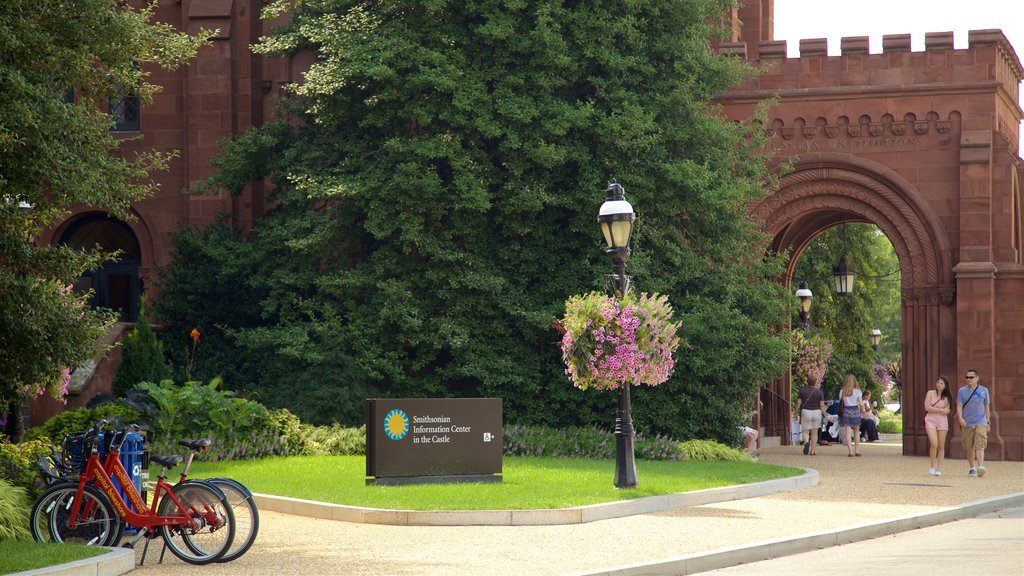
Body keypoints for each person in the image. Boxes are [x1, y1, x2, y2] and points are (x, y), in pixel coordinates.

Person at [956, 369, 991, 477]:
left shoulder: (984, 390)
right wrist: (960, 418)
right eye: (967, 377)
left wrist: (988, 421)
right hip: (967, 422)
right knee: (969, 446)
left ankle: (980, 467)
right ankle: (972, 467)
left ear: (977, 378)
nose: (968, 379)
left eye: (971, 377)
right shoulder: (962, 391)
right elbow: (959, 405)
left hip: (981, 421)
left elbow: (987, 407)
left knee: (980, 443)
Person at [924, 375, 952, 476]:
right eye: (938, 382)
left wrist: (937, 409)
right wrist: (940, 410)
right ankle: (932, 465)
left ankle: (939, 468)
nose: (938, 384)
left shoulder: (947, 397)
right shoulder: (930, 393)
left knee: (941, 445)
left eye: (941, 383)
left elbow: (947, 410)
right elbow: (927, 407)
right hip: (930, 420)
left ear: (945, 386)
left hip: (942, 421)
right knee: (934, 443)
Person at [797, 375, 828, 455]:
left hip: (806, 411)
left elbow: (798, 403)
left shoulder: (802, 391)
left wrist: (796, 412)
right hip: (816, 412)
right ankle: (812, 451)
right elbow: (821, 405)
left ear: (807, 381)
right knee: (815, 432)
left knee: (805, 431)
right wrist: (825, 414)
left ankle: (806, 442)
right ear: (815, 382)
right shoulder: (819, 392)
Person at [838, 374, 863, 456]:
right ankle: (857, 450)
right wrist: (862, 410)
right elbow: (861, 403)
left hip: (846, 411)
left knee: (847, 432)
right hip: (855, 410)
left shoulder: (842, 391)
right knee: (856, 431)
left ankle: (850, 452)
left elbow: (840, 402)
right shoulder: (857, 391)